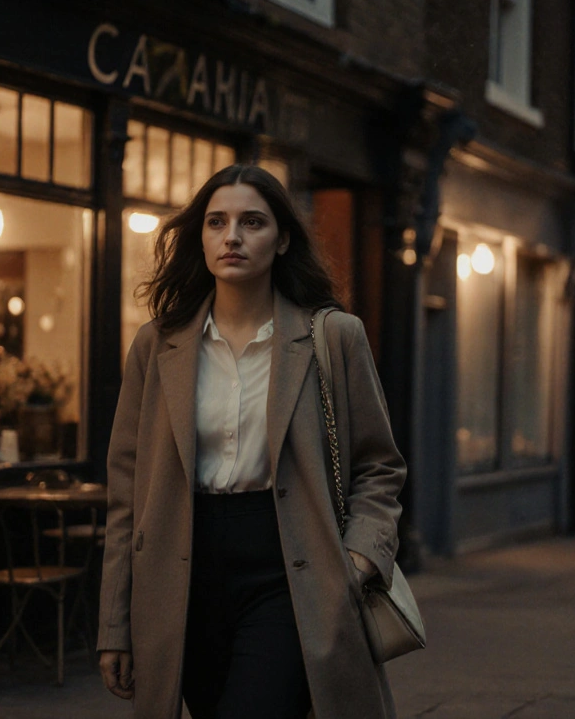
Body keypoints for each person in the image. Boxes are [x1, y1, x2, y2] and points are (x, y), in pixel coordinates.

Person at [97, 164, 405, 719]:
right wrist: (115, 624)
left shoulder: (332, 337)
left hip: (292, 569)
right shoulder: (156, 345)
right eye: (216, 222)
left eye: (252, 222)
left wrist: (357, 559)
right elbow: (127, 492)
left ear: (283, 238)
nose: (232, 236)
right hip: (181, 576)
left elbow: (379, 465)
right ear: (201, 237)